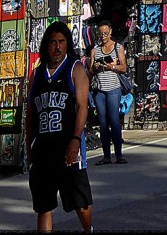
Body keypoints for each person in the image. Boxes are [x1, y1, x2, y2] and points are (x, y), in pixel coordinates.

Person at [26, 20, 93, 233]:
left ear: (67, 44)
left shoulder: (76, 69)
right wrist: (29, 147)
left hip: (67, 146)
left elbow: (83, 107)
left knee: (80, 204)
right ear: (46, 45)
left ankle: (88, 230)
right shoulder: (36, 75)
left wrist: (75, 139)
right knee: (43, 206)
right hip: (43, 148)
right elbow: (29, 115)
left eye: (61, 42)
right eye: (53, 42)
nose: (57, 46)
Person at [87, 21, 128, 164]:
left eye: (105, 33)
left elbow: (123, 68)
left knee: (114, 121)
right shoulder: (95, 50)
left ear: (110, 32)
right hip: (99, 91)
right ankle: (106, 156)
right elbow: (89, 74)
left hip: (113, 89)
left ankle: (119, 155)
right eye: (100, 34)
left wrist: (112, 67)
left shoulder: (118, 48)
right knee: (103, 123)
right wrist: (95, 67)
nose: (103, 36)